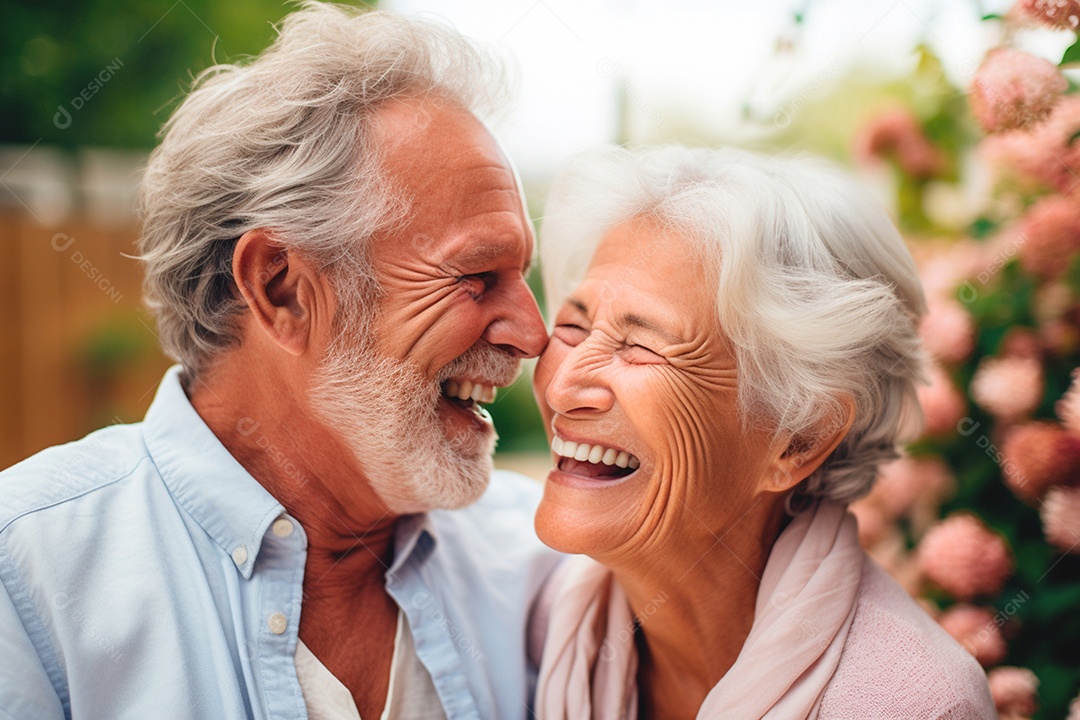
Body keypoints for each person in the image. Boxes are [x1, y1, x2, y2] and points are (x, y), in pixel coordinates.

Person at [0, 4, 560, 718]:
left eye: (525, 279)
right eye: (477, 277)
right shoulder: (27, 579)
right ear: (282, 289)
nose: (532, 334)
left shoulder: (537, 566)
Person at [528, 145, 997, 718]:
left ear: (798, 439)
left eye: (641, 345)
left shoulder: (908, 703)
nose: (559, 388)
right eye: (574, 326)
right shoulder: (544, 625)